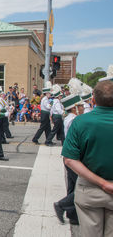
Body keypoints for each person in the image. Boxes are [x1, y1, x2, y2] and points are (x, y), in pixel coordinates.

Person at [62, 80, 113, 236]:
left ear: (93, 100)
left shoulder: (80, 122)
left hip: (89, 187)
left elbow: (69, 160)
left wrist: (103, 183)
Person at [53, 81, 84, 226]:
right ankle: (61, 205)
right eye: (81, 106)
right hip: (73, 157)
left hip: (70, 156)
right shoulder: (73, 120)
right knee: (82, 187)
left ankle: (72, 215)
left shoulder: (72, 118)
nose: (83, 108)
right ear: (75, 108)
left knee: (73, 186)